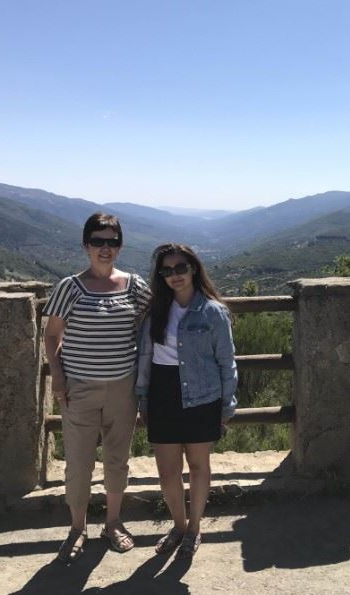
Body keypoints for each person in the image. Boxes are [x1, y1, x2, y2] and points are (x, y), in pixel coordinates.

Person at [42, 212, 152, 563]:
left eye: (112, 241)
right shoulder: (69, 287)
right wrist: (57, 375)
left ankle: (113, 523)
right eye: (98, 242)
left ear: (120, 245)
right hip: (80, 388)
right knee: (78, 462)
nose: (106, 249)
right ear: (86, 245)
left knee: (117, 460)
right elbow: (51, 334)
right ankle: (77, 527)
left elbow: (154, 320)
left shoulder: (134, 286)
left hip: (124, 387)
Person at [136, 243, 237, 559]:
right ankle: (178, 525)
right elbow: (145, 358)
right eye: (167, 270)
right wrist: (143, 399)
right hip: (163, 393)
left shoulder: (214, 312)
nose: (174, 275)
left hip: (203, 395)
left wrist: (226, 406)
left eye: (180, 268)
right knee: (167, 472)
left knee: (198, 466)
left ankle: (194, 528)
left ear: (193, 268)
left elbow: (226, 361)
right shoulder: (156, 312)